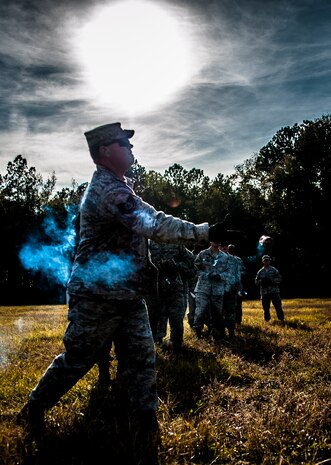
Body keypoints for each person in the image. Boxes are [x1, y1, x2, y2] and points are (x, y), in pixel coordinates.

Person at [17, 122, 226, 465]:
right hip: (97, 294)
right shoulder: (107, 191)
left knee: (142, 357)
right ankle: (34, 408)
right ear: (105, 151)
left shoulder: (119, 186)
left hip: (127, 295)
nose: (130, 149)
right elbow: (153, 224)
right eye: (123, 144)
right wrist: (203, 231)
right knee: (79, 359)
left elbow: (148, 224)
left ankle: (144, 423)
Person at [147, 240, 196, 352]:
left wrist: (175, 265)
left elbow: (191, 263)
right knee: (152, 319)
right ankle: (153, 347)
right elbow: (139, 262)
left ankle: (176, 347)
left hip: (174, 288)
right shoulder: (148, 243)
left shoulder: (176, 244)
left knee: (177, 319)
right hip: (153, 289)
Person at [193, 241, 230, 339]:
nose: (216, 242)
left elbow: (229, 273)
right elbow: (195, 269)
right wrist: (206, 275)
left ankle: (216, 334)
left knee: (217, 312)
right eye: (214, 239)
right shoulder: (202, 254)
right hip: (202, 288)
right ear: (210, 241)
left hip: (217, 289)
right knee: (201, 310)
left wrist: (220, 276)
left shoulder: (225, 257)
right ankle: (197, 332)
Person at [255, 254, 285, 322]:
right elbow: (256, 282)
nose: (266, 262)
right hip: (264, 292)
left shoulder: (274, 270)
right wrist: (261, 281)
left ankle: (281, 319)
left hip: (274, 291)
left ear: (269, 261)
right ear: (262, 261)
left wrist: (272, 281)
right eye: (265, 260)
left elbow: (280, 279)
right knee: (265, 308)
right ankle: (267, 320)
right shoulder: (260, 272)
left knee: (278, 306)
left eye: (267, 260)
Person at [227, 244, 246, 325]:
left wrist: (238, 273)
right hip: (227, 285)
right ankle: (228, 321)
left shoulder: (239, 260)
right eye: (230, 249)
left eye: (233, 249)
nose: (231, 250)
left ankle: (238, 321)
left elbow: (244, 271)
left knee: (238, 304)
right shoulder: (224, 259)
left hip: (237, 286)